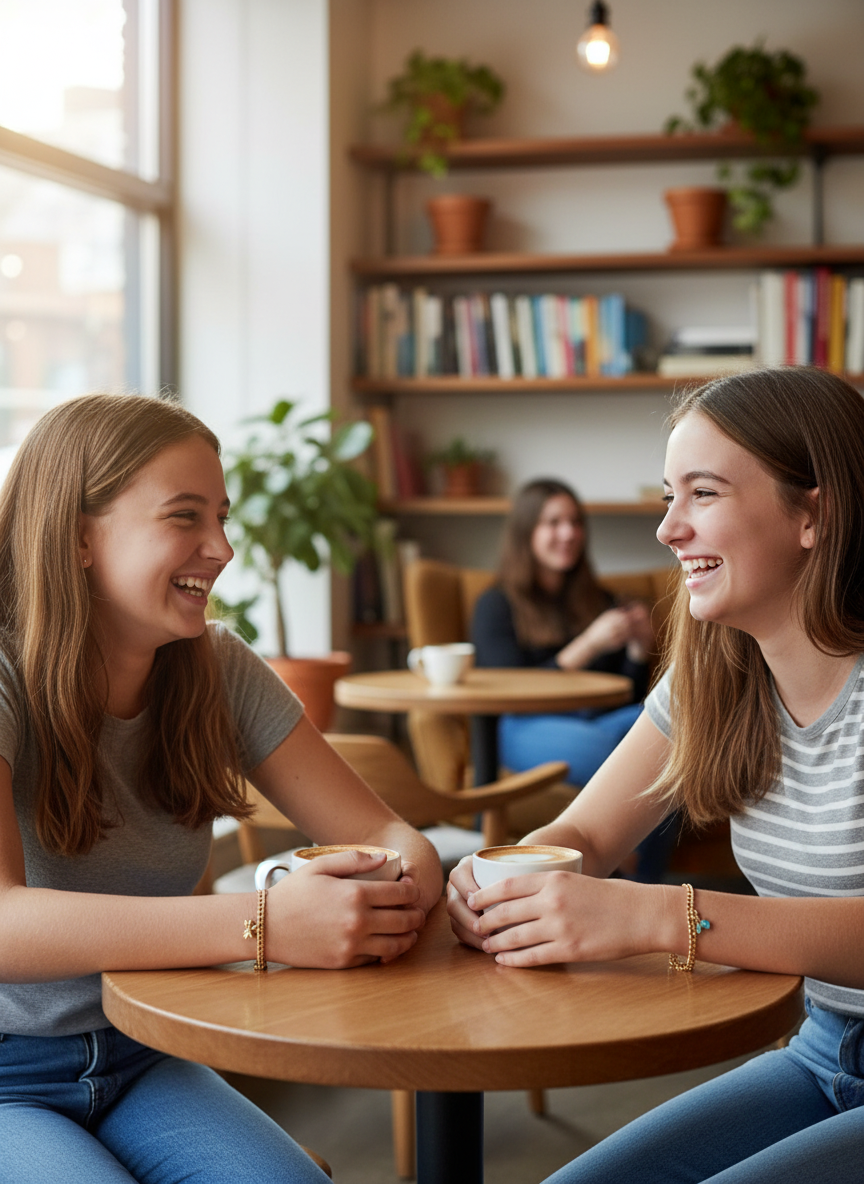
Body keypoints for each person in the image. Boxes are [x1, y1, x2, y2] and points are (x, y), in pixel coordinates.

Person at [0, 392, 442, 1184]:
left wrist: (382, 888)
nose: (224, 548)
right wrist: (267, 924)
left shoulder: (217, 666)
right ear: (77, 539)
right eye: (185, 517)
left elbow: (393, 838)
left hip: (149, 1052)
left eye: (224, 517)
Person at [449, 366, 864, 1184]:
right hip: (825, 1047)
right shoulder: (714, 675)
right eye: (669, 497)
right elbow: (587, 833)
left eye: (702, 493)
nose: (669, 530)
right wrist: (506, 879)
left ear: (812, 512)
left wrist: (662, 918)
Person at [471, 478, 670, 879]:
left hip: (600, 717)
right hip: (523, 725)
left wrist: (636, 651)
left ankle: (639, 881)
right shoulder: (496, 604)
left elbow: (628, 694)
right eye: (554, 522)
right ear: (527, 532)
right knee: (626, 753)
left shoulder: (600, 600)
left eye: (575, 522)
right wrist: (588, 644)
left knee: (674, 739)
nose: (569, 533)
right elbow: (507, 690)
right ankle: (627, 874)